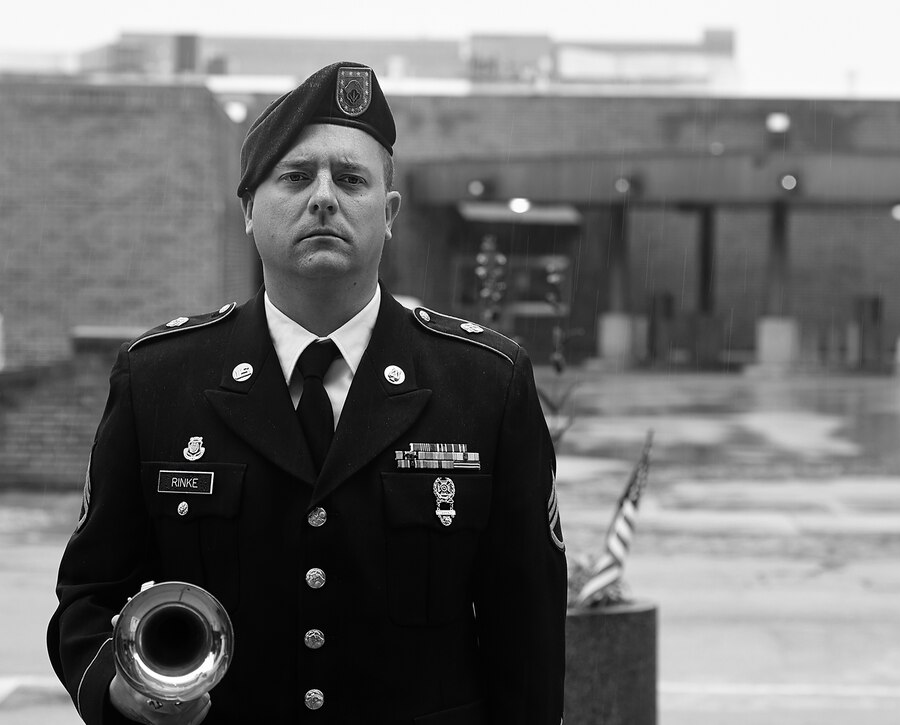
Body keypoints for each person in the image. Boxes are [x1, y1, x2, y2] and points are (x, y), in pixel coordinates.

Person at [47, 61, 567, 725]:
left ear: (390, 212)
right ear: (247, 208)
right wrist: (119, 692)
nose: (324, 196)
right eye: (295, 177)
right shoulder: (158, 378)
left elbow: (526, 629)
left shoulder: (486, 382)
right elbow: (89, 595)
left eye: (350, 178)